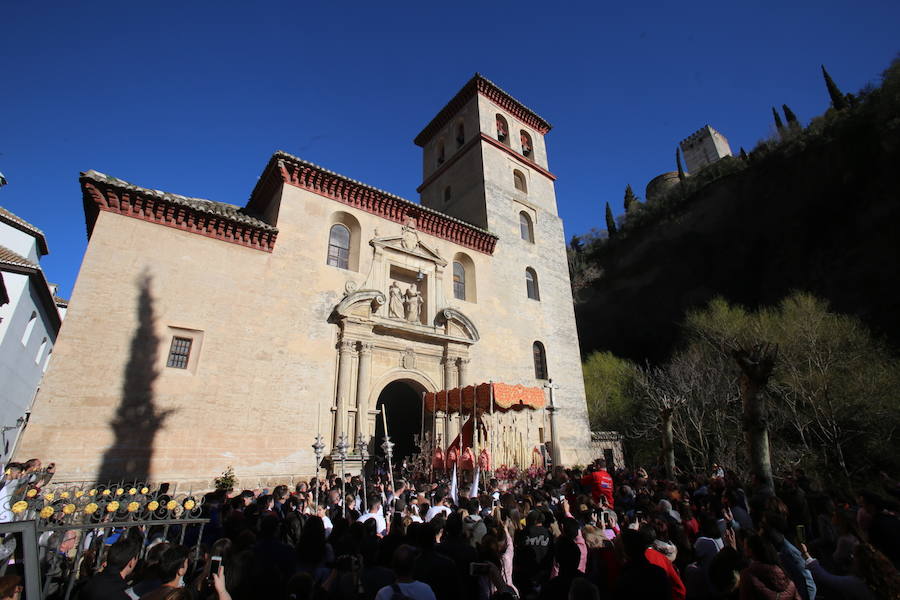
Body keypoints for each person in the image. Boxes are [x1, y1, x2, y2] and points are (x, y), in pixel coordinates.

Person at [739, 534, 801, 600]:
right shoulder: (782, 571)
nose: (743, 548)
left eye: (745, 545)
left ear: (751, 550)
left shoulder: (748, 575)